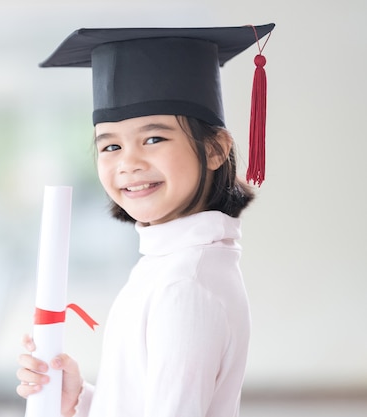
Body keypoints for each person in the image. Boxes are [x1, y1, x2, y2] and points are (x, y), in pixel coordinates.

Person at [16, 24, 275, 417]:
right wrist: (80, 399)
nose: (129, 163)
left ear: (215, 149)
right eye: (111, 145)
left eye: (154, 139)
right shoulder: (174, 263)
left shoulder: (185, 284)